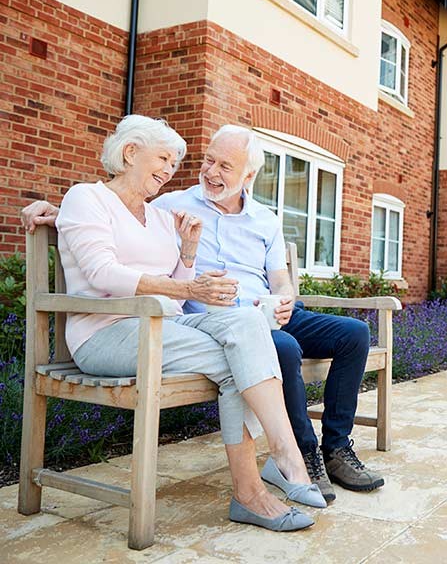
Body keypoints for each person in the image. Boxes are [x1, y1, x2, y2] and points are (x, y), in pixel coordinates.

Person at [22, 125, 385, 503]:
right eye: (207, 161)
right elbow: (111, 217)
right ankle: (298, 455)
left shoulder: (254, 218)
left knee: (353, 334)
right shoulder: (171, 203)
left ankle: (333, 449)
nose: (210, 172)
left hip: (257, 313)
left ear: (248, 176)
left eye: (225, 166)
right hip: (192, 320)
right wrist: (60, 212)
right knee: (278, 348)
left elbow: (277, 278)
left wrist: (284, 297)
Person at [51, 115, 324, 533]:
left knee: (247, 325)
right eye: (163, 158)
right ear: (130, 153)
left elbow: (178, 288)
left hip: (164, 329)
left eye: (175, 164)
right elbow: (102, 272)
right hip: (105, 333)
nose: (170, 171)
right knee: (242, 359)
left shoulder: (161, 217)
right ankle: (271, 474)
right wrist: (190, 289)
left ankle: (276, 465)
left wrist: (189, 253)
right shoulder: (86, 198)